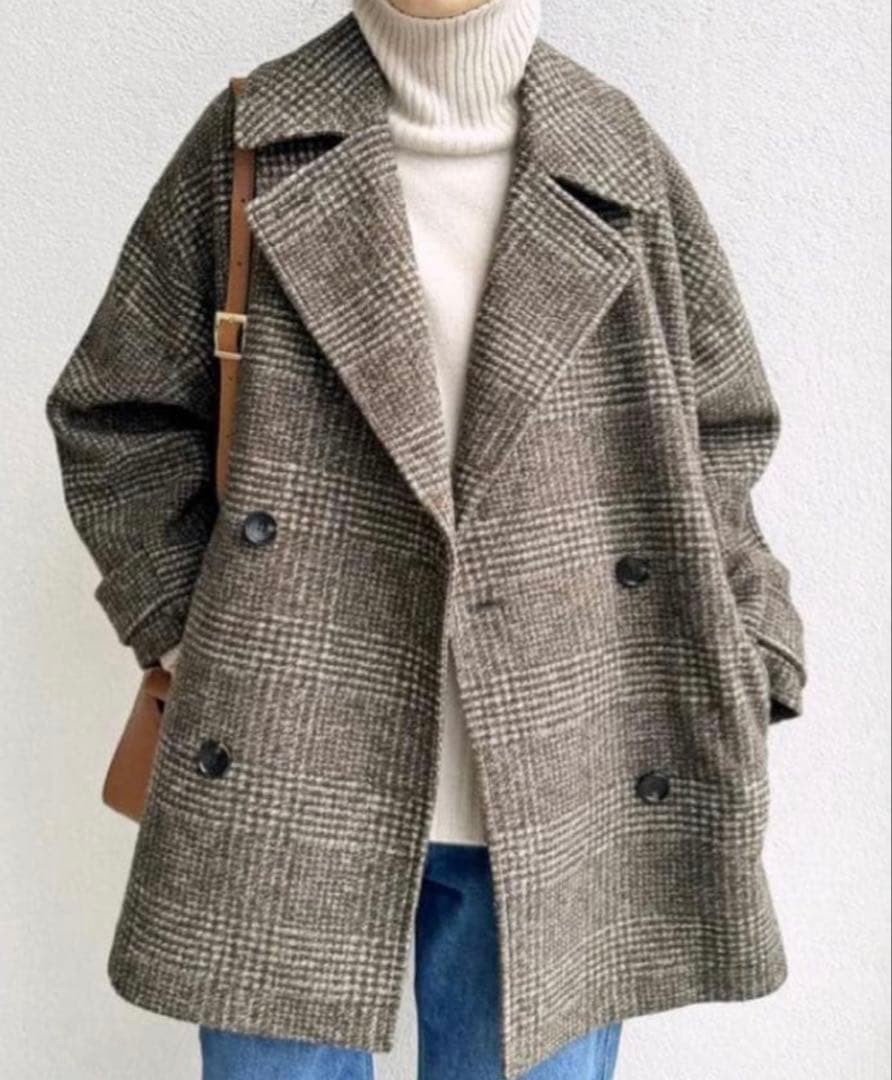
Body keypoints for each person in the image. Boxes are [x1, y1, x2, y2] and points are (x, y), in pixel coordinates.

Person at [45, 0, 808, 1077]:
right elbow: (117, 415)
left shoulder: (614, 152)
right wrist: (192, 631)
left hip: (566, 760)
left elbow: (719, 430)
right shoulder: (252, 140)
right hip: (288, 746)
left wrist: (749, 645)